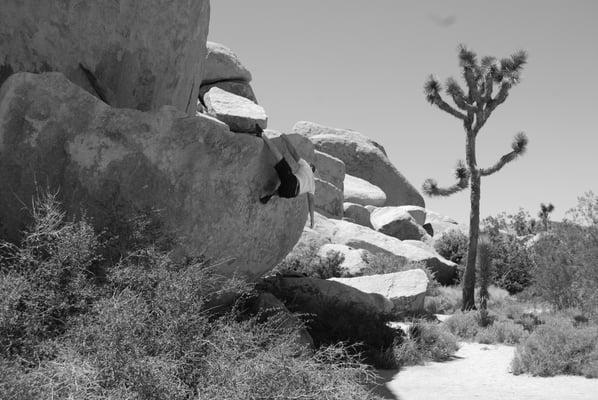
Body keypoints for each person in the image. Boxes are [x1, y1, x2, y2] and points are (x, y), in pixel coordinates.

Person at [257, 126, 316, 228]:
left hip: (292, 182)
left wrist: (285, 139)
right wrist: (312, 220)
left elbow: (294, 153)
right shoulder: (313, 185)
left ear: (310, 166)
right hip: (290, 194)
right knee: (282, 189)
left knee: (280, 159)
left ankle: (262, 135)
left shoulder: (306, 166)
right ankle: (270, 195)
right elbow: (311, 202)